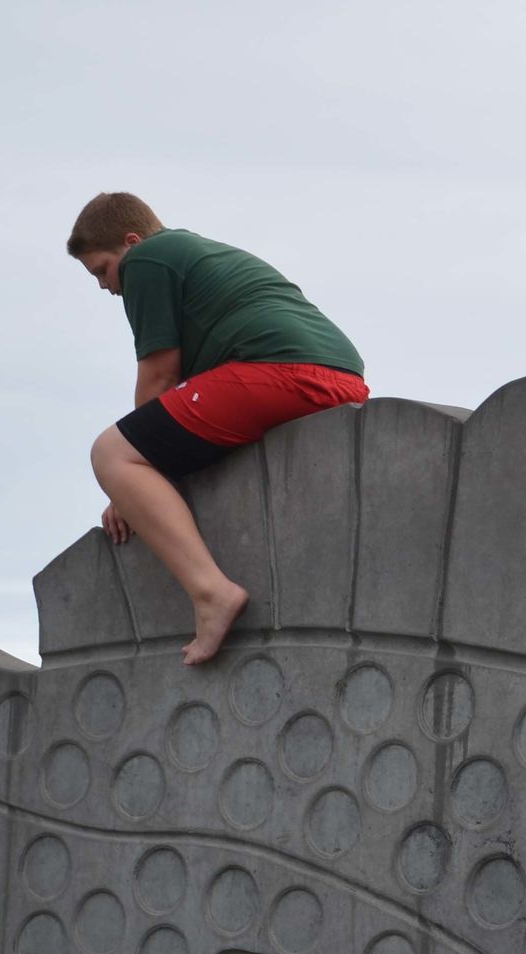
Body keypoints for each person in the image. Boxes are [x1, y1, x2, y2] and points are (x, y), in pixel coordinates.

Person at [67, 193, 371, 666]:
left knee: (112, 453)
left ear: (131, 241)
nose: (106, 286)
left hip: (285, 372)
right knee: (134, 452)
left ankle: (211, 593)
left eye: (102, 270)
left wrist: (128, 483)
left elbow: (158, 377)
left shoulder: (148, 257)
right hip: (341, 378)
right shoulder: (196, 256)